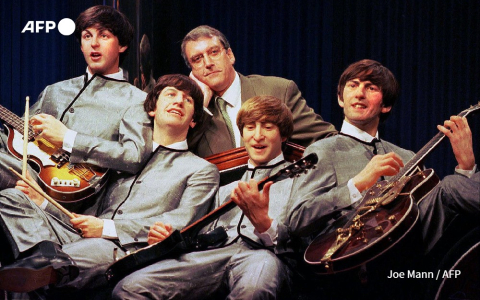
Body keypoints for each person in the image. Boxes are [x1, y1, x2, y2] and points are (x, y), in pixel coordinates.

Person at [0, 74, 220, 296]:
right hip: (76, 236)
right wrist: (44, 204)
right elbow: (84, 219)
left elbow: (178, 224)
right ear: (152, 109)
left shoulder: (201, 170)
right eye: (171, 94)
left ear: (193, 120)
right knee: (12, 198)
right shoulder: (120, 160)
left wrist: (106, 228)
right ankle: (41, 259)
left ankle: (40, 269)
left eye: (188, 100)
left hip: (123, 249)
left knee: (82, 253)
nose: (179, 101)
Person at [276, 59, 479, 298]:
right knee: (451, 186)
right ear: (341, 98)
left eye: (371, 88)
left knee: (452, 184)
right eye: (353, 85)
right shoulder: (322, 150)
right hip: (355, 258)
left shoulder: (407, 156)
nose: (360, 93)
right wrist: (358, 184)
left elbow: (442, 209)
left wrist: (466, 166)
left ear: (386, 105)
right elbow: (297, 219)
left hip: (411, 252)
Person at [112, 95, 300, 300]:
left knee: (253, 290)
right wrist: (168, 239)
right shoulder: (224, 189)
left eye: (268, 127)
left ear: (283, 135)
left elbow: (301, 245)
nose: (257, 136)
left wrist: (265, 225)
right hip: (212, 257)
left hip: (263, 257)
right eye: (250, 127)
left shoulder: (299, 181)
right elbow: (200, 235)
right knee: (130, 288)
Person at [0, 5, 150, 197]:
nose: (94, 43)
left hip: (83, 194)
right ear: (81, 45)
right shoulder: (54, 91)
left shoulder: (137, 100)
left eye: (104, 36)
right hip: (30, 175)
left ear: (122, 45)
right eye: (87, 36)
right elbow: (16, 143)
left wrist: (68, 138)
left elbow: (133, 156)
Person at [181, 25, 337, 157]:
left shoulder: (278, 90)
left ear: (230, 55)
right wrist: (201, 106)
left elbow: (327, 139)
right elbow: (180, 156)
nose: (208, 63)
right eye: (197, 59)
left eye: (214, 52)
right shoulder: (193, 111)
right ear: (192, 72)